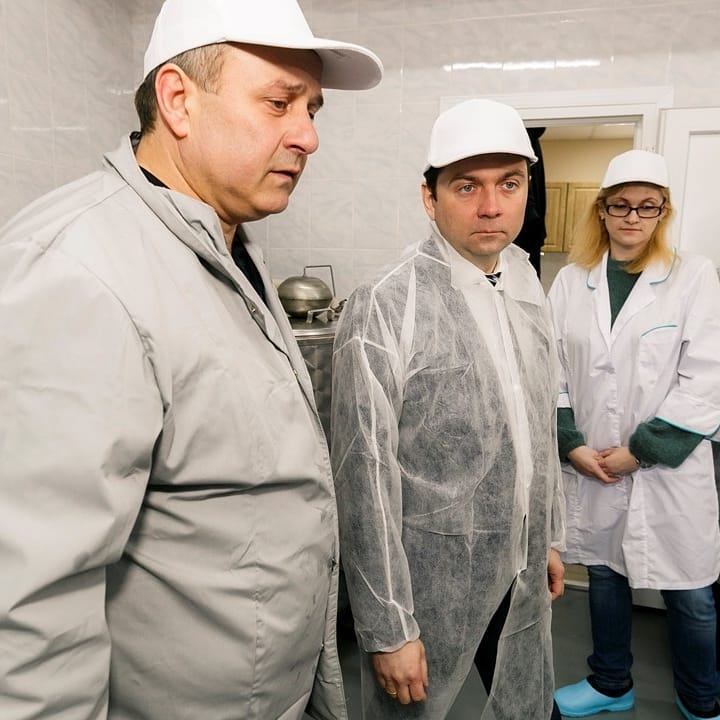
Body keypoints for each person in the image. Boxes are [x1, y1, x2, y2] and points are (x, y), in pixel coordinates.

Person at [0, 1, 383, 719]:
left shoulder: (227, 244)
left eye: (311, 109)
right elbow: (30, 617)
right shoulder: (77, 274)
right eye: (279, 103)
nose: (308, 136)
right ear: (178, 100)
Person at [330, 99, 565, 720]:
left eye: (509, 184)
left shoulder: (524, 285)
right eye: (467, 187)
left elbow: (537, 429)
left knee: (528, 703)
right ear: (429, 198)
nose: (491, 207)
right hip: (432, 583)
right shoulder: (387, 303)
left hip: (519, 566)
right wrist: (388, 626)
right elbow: (363, 475)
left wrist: (545, 536)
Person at [548, 149, 720, 720]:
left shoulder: (693, 276)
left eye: (648, 206)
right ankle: (610, 682)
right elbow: (549, 370)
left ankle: (701, 699)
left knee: (690, 593)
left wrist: (640, 452)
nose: (632, 217)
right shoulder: (571, 282)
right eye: (620, 205)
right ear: (601, 209)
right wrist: (570, 442)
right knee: (603, 575)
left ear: (663, 212)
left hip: (667, 470)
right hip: (592, 460)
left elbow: (707, 378)